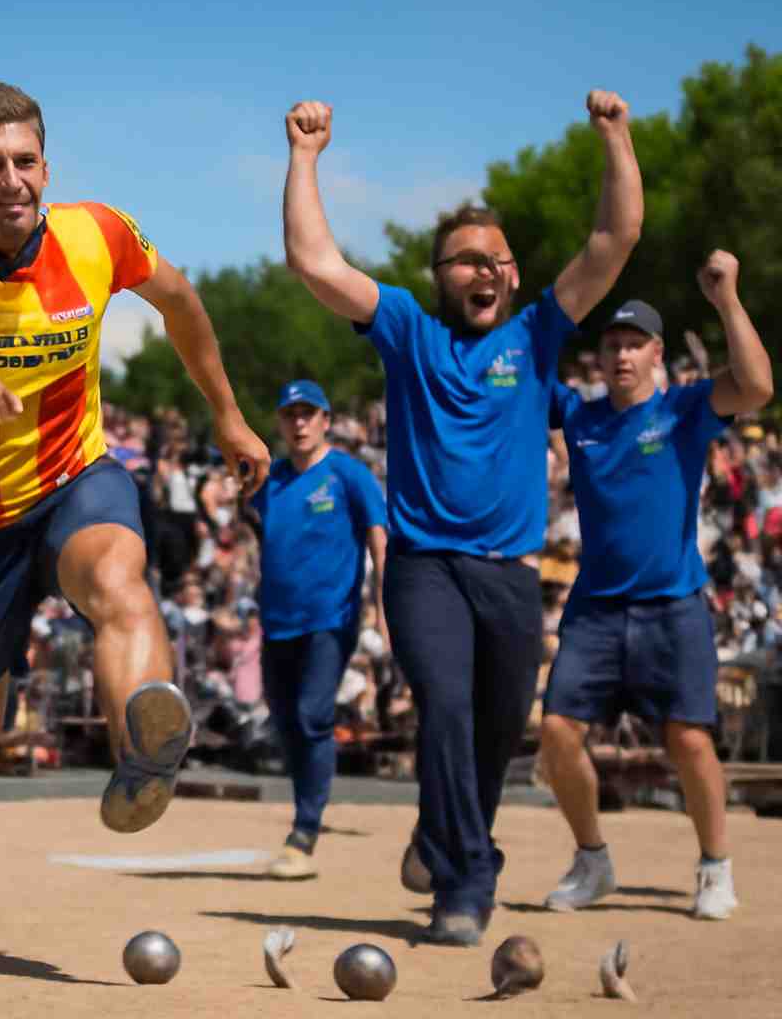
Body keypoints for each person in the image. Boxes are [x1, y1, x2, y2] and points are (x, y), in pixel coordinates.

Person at [0, 82, 269, 921]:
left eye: (24, 162)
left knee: (120, 582)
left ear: (47, 167)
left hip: (71, 477)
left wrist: (229, 416)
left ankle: (142, 751)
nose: (10, 180)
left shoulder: (98, 234)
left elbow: (181, 301)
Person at [282, 90, 642, 945]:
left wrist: (617, 138)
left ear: (512, 275)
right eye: (462, 259)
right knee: (444, 706)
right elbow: (315, 262)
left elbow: (614, 239)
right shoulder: (408, 328)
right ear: (437, 275)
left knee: (493, 735)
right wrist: (304, 157)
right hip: (424, 565)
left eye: (494, 260)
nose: (481, 270)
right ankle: (467, 881)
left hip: (512, 575)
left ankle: (441, 837)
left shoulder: (537, 334)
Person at [538, 253, 770, 921]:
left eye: (633, 344)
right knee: (556, 732)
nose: (620, 355)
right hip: (595, 610)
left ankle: (715, 867)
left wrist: (726, 298)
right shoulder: (579, 419)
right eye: (610, 344)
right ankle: (592, 860)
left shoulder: (684, 410)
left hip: (674, 605)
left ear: (657, 354)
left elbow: (756, 386)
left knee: (690, 741)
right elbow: (521, 379)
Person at [245, 380, 386, 879]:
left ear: (326, 420)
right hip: (277, 620)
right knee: (284, 722)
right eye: (290, 415)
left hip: (332, 617)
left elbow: (378, 537)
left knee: (312, 714)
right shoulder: (272, 480)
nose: (299, 422)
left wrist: (385, 607)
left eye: (308, 413)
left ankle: (305, 828)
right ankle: (305, 811)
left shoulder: (348, 474)